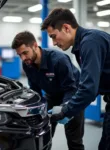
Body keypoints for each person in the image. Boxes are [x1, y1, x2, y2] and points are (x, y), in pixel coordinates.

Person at [41, 7, 110, 150]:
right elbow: (92, 86)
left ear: (66, 28)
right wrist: (71, 106)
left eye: (53, 36)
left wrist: (66, 111)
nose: (54, 43)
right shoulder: (82, 47)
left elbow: (89, 89)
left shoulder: (90, 43)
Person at [11, 31, 85, 150]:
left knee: (74, 140)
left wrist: (65, 109)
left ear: (35, 45)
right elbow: (35, 90)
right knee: (45, 135)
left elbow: (71, 88)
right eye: (19, 55)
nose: (23, 58)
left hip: (73, 95)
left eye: (25, 53)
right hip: (52, 96)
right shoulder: (27, 65)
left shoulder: (58, 60)